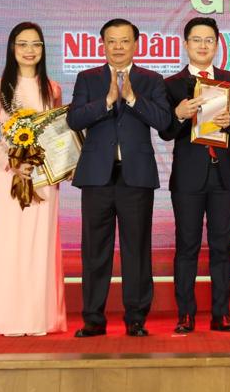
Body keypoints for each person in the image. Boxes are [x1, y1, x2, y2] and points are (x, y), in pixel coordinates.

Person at [67, 18, 171, 338]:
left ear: (136, 44)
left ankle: (136, 318)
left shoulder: (151, 80)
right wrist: (107, 101)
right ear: (102, 44)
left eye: (125, 41)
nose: (118, 47)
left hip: (135, 177)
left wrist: (133, 99)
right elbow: (74, 119)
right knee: (94, 250)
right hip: (97, 177)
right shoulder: (88, 78)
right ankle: (93, 319)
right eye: (111, 41)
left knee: (136, 250)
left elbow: (164, 122)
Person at [159, 17, 230, 334]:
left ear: (217, 44)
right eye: (197, 40)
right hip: (188, 178)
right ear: (186, 44)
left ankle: (221, 314)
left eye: (209, 40)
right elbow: (165, 131)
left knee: (222, 247)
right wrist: (178, 115)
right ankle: (185, 314)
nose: (203, 45)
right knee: (187, 246)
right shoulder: (171, 84)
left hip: (225, 176)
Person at [0, 22, 67, 336]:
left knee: (40, 244)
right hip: (11, 177)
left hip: (43, 177)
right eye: (23, 44)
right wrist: (10, 162)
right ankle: (9, 318)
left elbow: (58, 132)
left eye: (36, 44)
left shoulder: (52, 88)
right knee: (11, 243)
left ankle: (38, 318)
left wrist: (57, 167)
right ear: (12, 48)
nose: (30, 50)